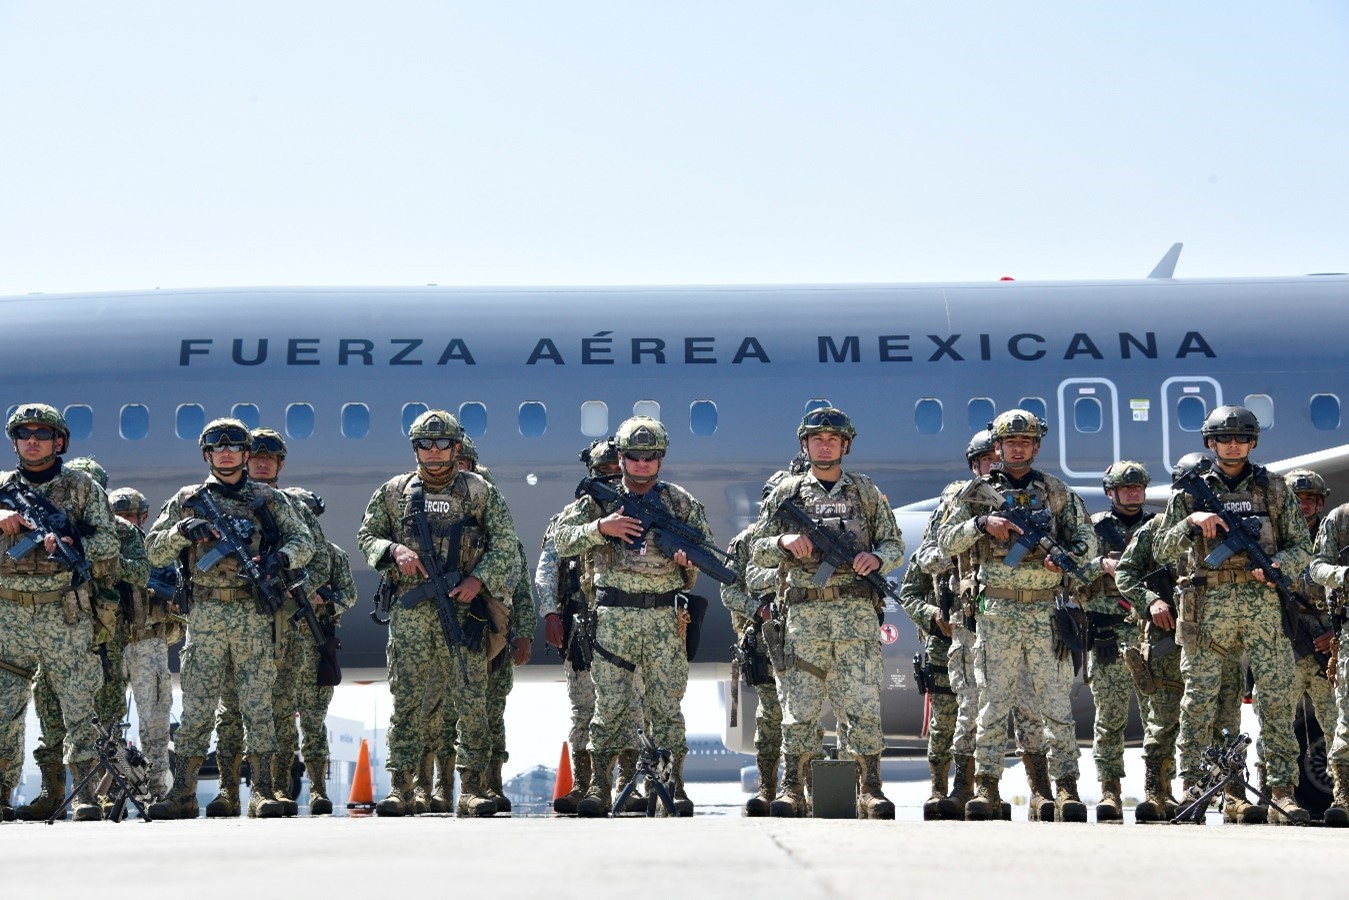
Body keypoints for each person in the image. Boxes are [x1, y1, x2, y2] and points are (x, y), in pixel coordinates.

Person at [145, 417, 315, 819]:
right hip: (205, 615)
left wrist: (280, 558)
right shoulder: (188, 499)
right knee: (198, 706)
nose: (226, 452)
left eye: (234, 446)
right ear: (207, 454)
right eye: (217, 447)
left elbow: (303, 541)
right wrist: (182, 532)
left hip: (251, 613)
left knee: (258, 705)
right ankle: (183, 793)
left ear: (245, 453)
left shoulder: (266, 498)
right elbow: (152, 549)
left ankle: (262, 791)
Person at [936, 409, 1097, 822]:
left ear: (1036, 447)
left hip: (1046, 611)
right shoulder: (977, 492)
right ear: (998, 447)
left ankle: (1065, 787)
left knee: (1055, 705)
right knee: (992, 703)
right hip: (997, 611)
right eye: (1011, 442)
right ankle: (986, 786)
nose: (1019, 448)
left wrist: (1068, 558)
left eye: (1026, 442)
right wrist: (981, 523)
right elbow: (945, 541)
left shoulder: (1055, 491)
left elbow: (1087, 540)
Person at [1154, 405, 1312, 825]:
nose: (1233, 445)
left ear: (1253, 443)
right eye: (1224, 438)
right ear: (1210, 442)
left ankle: (1282, 790)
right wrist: (1191, 521)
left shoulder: (1274, 488)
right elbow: (1161, 548)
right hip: (1208, 607)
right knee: (1199, 700)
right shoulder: (1189, 493)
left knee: (1275, 700)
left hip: (1262, 607)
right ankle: (1193, 787)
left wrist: (1278, 565)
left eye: (1242, 437)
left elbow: (1302, 546)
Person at [357, 409, 519, 818]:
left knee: (471, 698)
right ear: (415, 449)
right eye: (425, 444)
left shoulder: (478, 492)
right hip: (411, 612)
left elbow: (505, 544)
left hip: (462, 610)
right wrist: (393, 550)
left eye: (442, 443)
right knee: (407, 701)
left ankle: (472, 788)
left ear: (455, 448)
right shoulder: (394, 492)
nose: (433, 450)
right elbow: (367, 535)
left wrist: (478, 580)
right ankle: (401, 787)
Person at [554, 416, 713, 817]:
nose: (643, 464)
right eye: (635, 456)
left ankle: (672, 786)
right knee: (609, 705)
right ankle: (599, 788)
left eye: (650, 457)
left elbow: (706, 548)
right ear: (622, 457)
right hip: (613, 618)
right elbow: (560, 539)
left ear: (661, 459)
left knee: (666, 709)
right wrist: (600, 528)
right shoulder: (598, 502)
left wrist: (687, 559)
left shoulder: (678, 502)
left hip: (664, 619)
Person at [751, 407, 904, 819]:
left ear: (844, 445)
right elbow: (757, 548)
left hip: (856, 615)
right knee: (800, 705)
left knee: (862, 703)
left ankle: (870, 788)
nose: (824, 445)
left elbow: (894, 544)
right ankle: (793, 789)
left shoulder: (865, 492)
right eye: (817, 439)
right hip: (805, 616)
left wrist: (877, 558)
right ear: (805, 445)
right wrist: (784, 542)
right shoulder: (787, 493)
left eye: (832, 439)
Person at [911, 430, 1049, 821]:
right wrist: (976, 532)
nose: (993, 465)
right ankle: (965, 788)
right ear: (974, 466)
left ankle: (1037, 791)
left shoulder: (1033, 496)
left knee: (1026, 706)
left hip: (1015, 618)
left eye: (996, 458)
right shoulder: (959, 503)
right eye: (986, 460)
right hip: (970, 622)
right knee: (972, 708)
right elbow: (928, 558)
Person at [0, 405, 121, 822]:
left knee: (78, 705)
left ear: (59, 442)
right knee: (3, 709)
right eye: (24, 433)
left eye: (42, 433)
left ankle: (85, 794)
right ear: (14, 441)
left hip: (62, 612)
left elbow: (110, 541)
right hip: (8, 615)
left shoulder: (82, 488)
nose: (32, 440)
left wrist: (73, 543)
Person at [536, 439, 650, 815]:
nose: (611, 478)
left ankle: (627, 786)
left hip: (629, 627)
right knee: (584, 709)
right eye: (603, 472)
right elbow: (548, 568)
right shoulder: (571, 518)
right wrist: (550, 614)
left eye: (616, 471)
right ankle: (583, 786)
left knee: (632, 708)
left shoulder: (645, 511)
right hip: (582, 628)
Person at [1077, 460, 1154, 821]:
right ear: (1111, 493)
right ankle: (1110, 791)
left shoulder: (1156, 527)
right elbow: (1072, 574)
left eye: (1138, 488)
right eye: (1126, 488)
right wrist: (1100, 566)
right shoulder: (1095, 529)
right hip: (1108, 636)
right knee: (1109, 718)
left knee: (1158, 716)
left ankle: (1158, 790)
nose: (1133, 494)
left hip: (1150, 633)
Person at [108, 486, 180, 803]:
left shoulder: (154, 554)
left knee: (154, 723)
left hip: (147, 644)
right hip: (110, 644)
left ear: (144, 517)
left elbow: (169, 586)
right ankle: (110, 792)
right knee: (107, 724)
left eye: (130, 516)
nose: (125, 522)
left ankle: (156, 792)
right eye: (119, 517)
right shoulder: (101, 551)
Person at [1309, 477, 1349, 827]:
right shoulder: (1341, 518)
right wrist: (1343, 574)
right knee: (1346, 717)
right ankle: (1345, 794)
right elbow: (1317, 566)